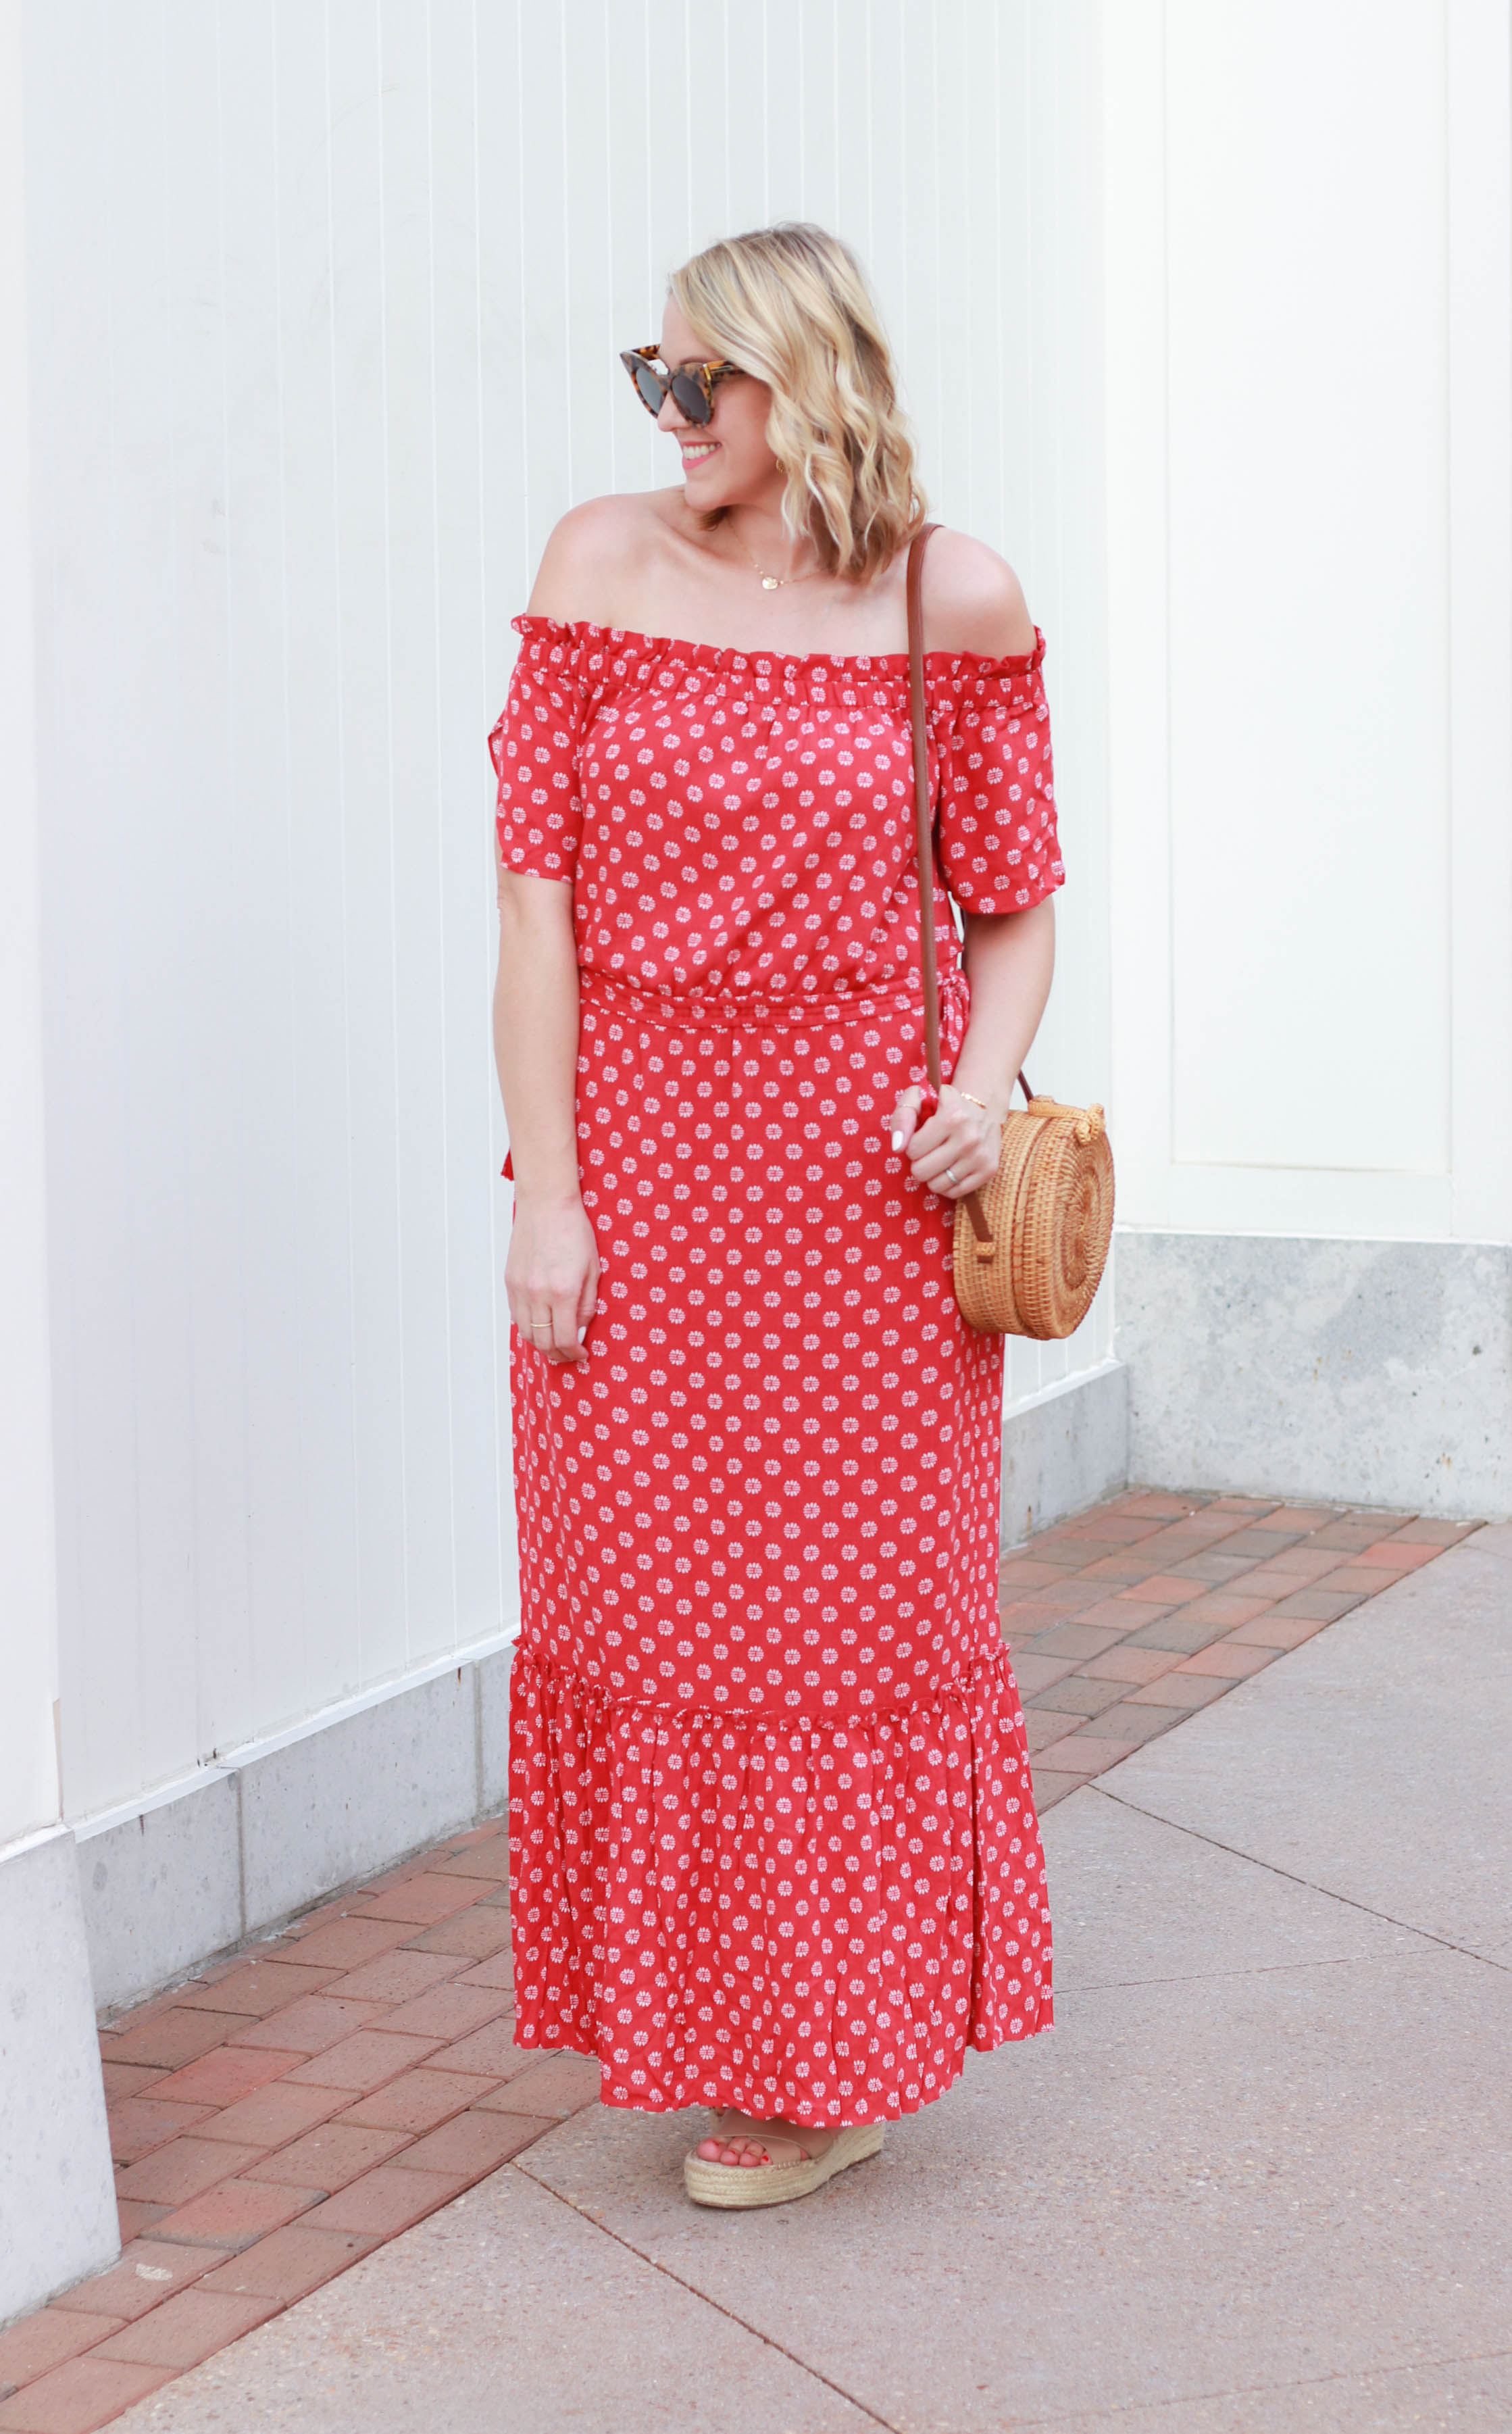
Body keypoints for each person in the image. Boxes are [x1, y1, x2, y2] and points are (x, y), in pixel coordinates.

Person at [490, 223, 1061, 2210]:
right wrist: (548, 1193)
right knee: (646, 1612)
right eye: (649, 379)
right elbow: (535, 905)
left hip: (863, 1212)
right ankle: (725, 2019)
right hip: (640, 1180)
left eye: (697, 385)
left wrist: (981, 1099)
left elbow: (1012, 905)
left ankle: (834, 2063)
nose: (665, 422)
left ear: (808, 380)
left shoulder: (950, 599)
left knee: (842, 1637)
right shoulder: (597, 564)